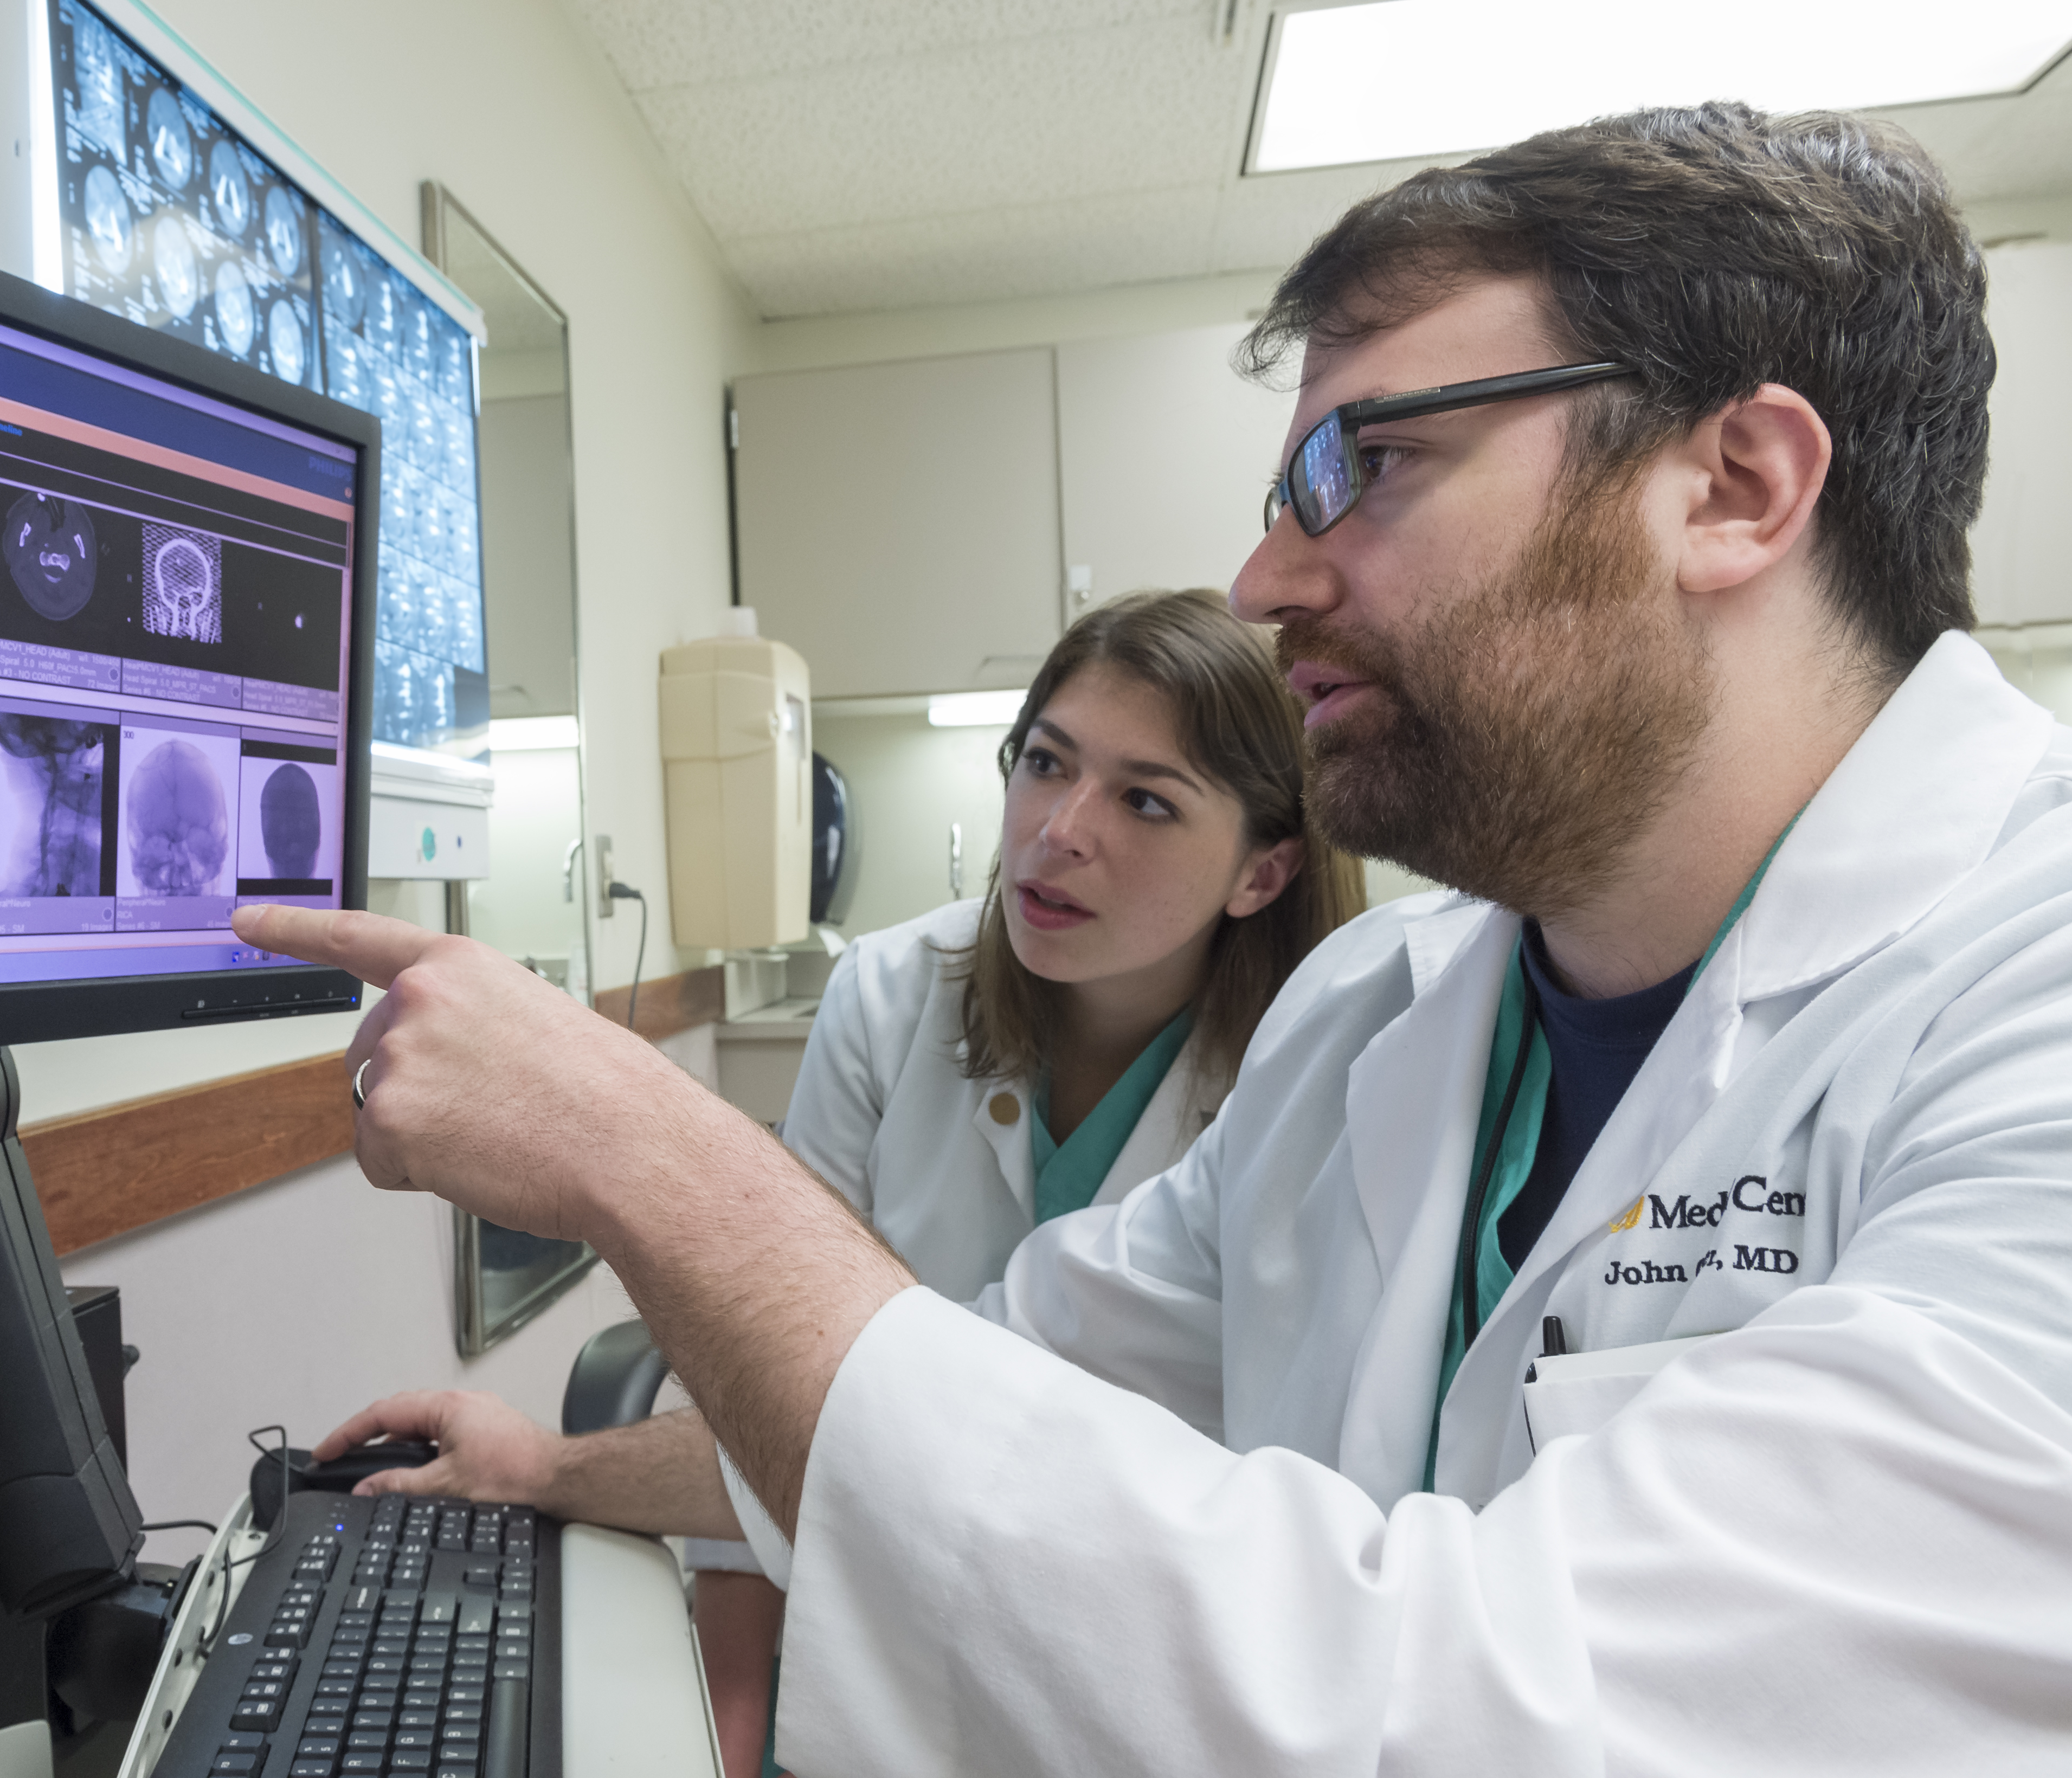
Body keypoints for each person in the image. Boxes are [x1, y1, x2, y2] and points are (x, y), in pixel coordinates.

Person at [243, 101, 2072, 1774]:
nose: (1267, 579)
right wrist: (554, 1469)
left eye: (1365, 467)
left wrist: (639, 1152)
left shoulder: (2022, 984)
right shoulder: (1381, 1010)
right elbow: (971, 1402)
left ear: (1732, 488)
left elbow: (1505, 1702)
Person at [680, 588, 1361, 1774]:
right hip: (869, 1654)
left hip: (1148, 1693)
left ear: (1263, 872)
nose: (1058, 828)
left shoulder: (1323, 1079)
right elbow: (774, 1385)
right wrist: (728, 1746)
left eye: (1146, 799)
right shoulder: (889, 998)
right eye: (1045, 763)